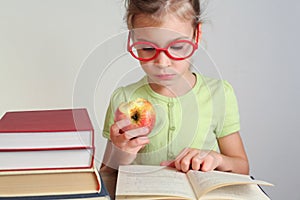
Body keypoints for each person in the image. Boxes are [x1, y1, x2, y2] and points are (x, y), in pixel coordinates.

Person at [100, 0, 249, 175]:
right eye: (147, 48)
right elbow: (104, 178)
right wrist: (120, 156)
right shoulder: (124, 98)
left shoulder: (219, 94)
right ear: (132, 39)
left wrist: (217, 159)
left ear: (196, 34)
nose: (162, 63)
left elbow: (242, 169)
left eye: (177, 47)